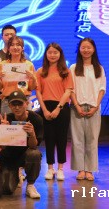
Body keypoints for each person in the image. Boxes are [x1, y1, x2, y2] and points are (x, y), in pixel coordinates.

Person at [36, 42, 74, 181]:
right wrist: (44, 110)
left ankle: (61, 169)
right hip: (46, 107)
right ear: (46, 54)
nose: (52, 55)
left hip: (62, 107)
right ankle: (50, 168)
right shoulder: (40, 71)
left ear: (60, 54)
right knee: (49, 139)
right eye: (50, 52)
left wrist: (58, 108)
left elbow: (68, 91)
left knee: (62, 139)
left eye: (55, 52)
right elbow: (38, 92)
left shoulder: (66, 71)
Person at [70, 37, 106, 181]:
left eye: (88, 47)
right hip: (76, 107)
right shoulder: (73, 68)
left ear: (93, 49)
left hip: (93, 107)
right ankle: (80, 170)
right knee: (77, 140)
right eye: (83, 47)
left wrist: (96, 106)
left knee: (92, 140)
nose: (86, 50)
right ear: (79, 49)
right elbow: (71, 89)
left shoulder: (99, 68)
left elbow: (102, 89)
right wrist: (76, 106)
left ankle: (90, 170)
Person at [0, 90, 43, 199]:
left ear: (26, 103)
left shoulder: (36, 119)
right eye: (13, 104)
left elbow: (34, 146)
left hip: (26, 155)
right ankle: (16, 175)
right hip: (9, 156)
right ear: (9, 106)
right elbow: (2, 147)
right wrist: (4, 132)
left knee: (34, 154)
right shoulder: (6, 119)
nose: (17, 107)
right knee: (6, 190)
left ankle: (30, 185)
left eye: (20, 104)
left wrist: (32, 134)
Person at [0, 35, 36, 114]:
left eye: (18, 45)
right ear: (8, 48)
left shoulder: (29, 64)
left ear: (22, 48)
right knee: (7, 122)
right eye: (12, 45)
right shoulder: (2, 65)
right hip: (7, 102)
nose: (15, 47)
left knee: (25, 122)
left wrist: (33, 78)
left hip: (24, 101)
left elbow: (32, 87)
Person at [0, 25, 16, 120]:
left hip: (18, 97)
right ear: (2, 37)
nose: (9, 37)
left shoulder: (24, 57)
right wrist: (5, 90)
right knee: (0, 124)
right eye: (6, 34)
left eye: (12, 34)